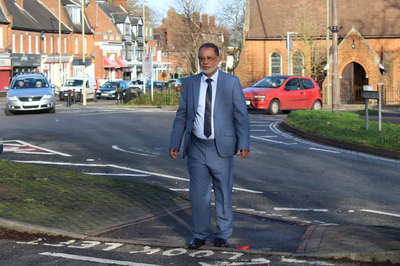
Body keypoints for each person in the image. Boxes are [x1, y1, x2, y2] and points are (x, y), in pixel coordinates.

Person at [169, 43, 250, 249]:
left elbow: (241, 115)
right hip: (196, 146)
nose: (205, 62)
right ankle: (199, 234)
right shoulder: (189, 83)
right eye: (201, 59)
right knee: (198, 194)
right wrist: (175, 142)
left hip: (221, 147)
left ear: (218, 59)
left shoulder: (231, 82)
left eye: (209, 58)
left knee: (223, 192)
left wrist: (244, 143)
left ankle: (222, 234)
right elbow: (181, 115)